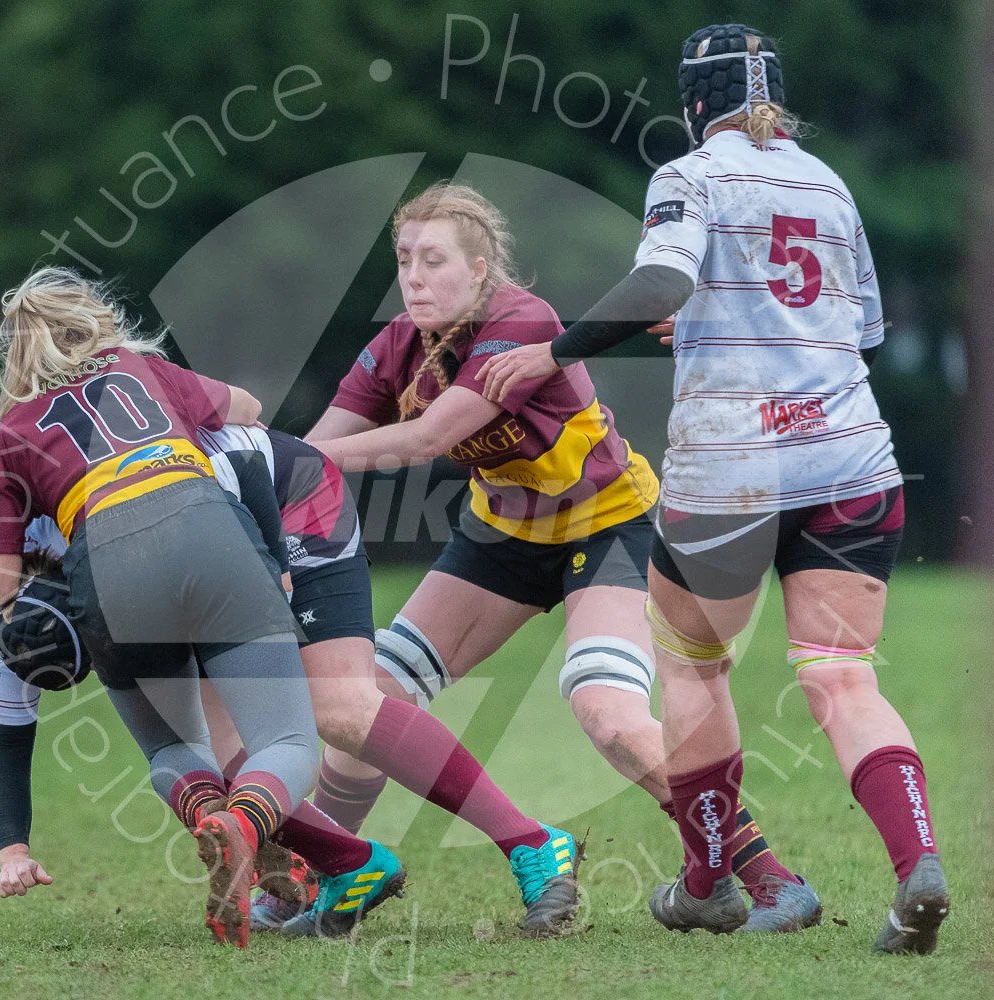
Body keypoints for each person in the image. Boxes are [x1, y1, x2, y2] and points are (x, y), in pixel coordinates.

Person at [478, 24, 949, 954]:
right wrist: (714, 318)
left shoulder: (690, 174)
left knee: (695, 665)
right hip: (852, 460)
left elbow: (661, 277)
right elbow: (857, 331)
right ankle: (915, 868)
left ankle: (705, 880)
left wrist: (554, 346)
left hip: (732, 466)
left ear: (695, 100)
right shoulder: (828, 181)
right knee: (842, 677)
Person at [306, 182, 819, 932]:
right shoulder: (396, 347)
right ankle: (326, 871)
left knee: (607, 711)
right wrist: (258, 464)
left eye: (434, 261)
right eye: (405, 260)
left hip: (610, 528)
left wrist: (283, 462)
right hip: (502, 539)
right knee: (365, 702)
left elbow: (425, 439)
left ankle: (766, 877)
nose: (414, 278)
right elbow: (320, 443)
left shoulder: (521, 320)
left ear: (480, 269)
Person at [0, 424, 585, 939]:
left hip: (279, 497)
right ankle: (351, 865)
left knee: (337, 704)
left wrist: (274, 571)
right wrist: (14, 850)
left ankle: (530, 841)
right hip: (187, 556)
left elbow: (241, 457)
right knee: (216, 754)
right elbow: (4, 730)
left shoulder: (84, 492)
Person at [0, 265, 358, 948]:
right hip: (206, 530)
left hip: (105, 571)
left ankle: (211, 813)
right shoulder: (143, 369)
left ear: (16, 354)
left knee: (172, 747)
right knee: (286, 741)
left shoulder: (7, 437)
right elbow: (250, 410)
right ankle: (246, 823)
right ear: (96, 322)